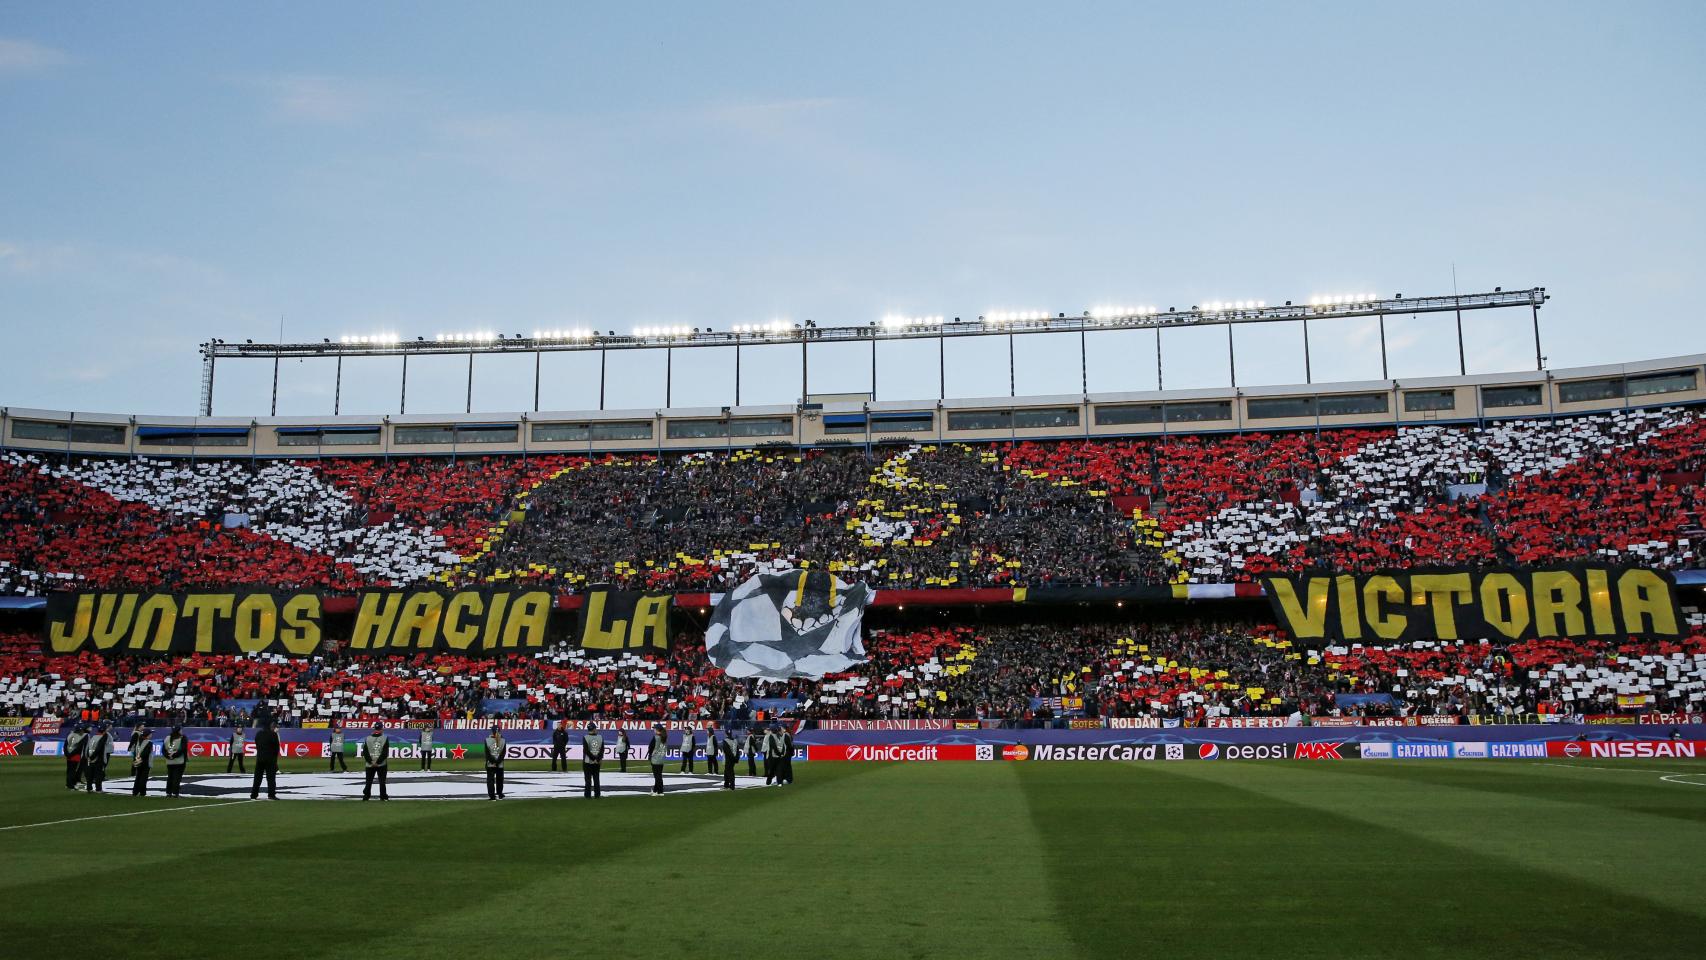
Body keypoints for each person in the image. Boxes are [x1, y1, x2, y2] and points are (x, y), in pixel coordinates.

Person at [250, 718, 281, 800]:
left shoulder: (259, 734)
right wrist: (274, 758)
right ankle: (271, 795)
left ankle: (253, 795)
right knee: (271, 778)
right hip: (270, 759)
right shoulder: (273, 734)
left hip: (260, 758)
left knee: (257, 777)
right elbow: (276, 748)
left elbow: (257, 744)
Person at [361, 724, 390, 801]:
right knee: (382, 781)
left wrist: (371, 762)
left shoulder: (368, 738)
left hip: (369, 764)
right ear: (381, 729)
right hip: (381, 764)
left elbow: (365, 752)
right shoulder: (385, 738)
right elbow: (385, 752)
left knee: (368, 781)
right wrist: (378, 762)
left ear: (374, 729)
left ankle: (366, 796)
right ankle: (383, 796)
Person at [84, 723, 113, 792]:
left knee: (90, 774)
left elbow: (87, 748)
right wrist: (92, 757)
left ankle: (89, 788)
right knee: (98, 774)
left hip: (90, 758)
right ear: (104, 730)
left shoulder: (93, 737)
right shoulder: (103, 738)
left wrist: (88, 757)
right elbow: (98, 749)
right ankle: (98, 789)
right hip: (98, 759)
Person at [163, 725, 189, 797]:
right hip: (179, 761)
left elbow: (163, 749)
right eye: (181, 730)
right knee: (177, 777)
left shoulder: (167, 738)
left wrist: (168, 756)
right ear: (179, 731)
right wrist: (174, 755)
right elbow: (183, 749)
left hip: (169, 761)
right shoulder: (182, 738)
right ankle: (175, 793)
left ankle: (168, 792)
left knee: (170, 777)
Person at [483, 726, 508, 801]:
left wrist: (493, 761)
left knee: (490, 780)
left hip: (490, 764)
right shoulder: (503, 740)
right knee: (500, 780)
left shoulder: (487, 740)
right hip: (500, 764)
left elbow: (487, 753)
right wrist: (497, 762)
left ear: (492, 731)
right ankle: (500, 794)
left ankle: (492, 796)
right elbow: (503, 753)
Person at [580, 722, 604, 798]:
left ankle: (587, 795)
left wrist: (593, 759)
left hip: (588, 762)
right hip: (597, 762)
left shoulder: (585, 737)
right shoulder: (600, 737)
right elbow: (602, 750)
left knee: (588, 780)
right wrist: (598, 759)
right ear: (593, 729)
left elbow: (586, 751)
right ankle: (597, 795)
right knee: (596, 779)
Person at [130, 724, 154, 796]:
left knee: (138, 776)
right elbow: (146, 753)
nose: (152, 735)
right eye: (151, 733)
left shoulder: (138, 742)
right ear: (148, 735)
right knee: (144, 778)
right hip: (145, 762)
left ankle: (135, 791)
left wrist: (137, 758)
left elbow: (135, 751)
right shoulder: (149, 743)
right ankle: (142, 792)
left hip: (138, 761)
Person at [64, 723, 87, 790]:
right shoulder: (80, 737)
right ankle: (71, 785)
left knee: (69, 770)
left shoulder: (69, 735)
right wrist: (71, 754)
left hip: (68, 755)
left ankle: (68, 784)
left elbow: (65, 745)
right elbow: (78, 748)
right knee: (73, 771)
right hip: (75, 756)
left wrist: (67, 754)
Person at [647, 722, 667, 796]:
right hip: (661, 758)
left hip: (655, 758)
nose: (653, 730)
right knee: (659, 775)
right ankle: (656, 790)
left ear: (657, 729)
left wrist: (650, 755)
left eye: (654, 728)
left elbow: (651, 747)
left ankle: (660, 791)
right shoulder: (664, 737)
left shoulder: (656, 737)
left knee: (657, 776)